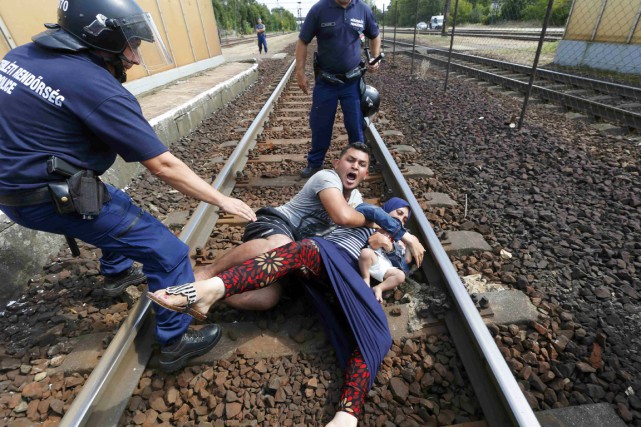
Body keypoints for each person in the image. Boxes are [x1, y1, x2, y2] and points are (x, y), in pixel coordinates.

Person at [0, 0, 256, 373]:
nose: (135, 59)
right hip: (47, 198)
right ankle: (176, 340)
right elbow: (164, 165)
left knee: (112, 201)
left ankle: (117, 271)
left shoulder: (21, 55)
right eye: (129, 45)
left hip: (13, 189)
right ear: (100, 39)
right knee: (168, 252)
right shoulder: (95, 87)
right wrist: (222, 200)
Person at [148, 215, 414, 426]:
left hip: (356, 287)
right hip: (331, 260)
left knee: (379, 337)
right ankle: (214, 288)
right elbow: (369, 216)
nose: (400, 219)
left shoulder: (399, 249)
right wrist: (398, 235)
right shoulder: (366, 221)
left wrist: (400, 250)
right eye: (397, 213)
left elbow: (401, 273)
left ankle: (347, 414)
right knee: (304, 249)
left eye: (405, 218)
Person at [194, 143, 425, 311]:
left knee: (268, 298)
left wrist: (381, 241)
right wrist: (403, 235)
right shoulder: (327, 177)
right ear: (337, 164)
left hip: (295, 251)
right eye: (350, 160)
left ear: (365, 174)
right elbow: (342, 217)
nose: (355, 166)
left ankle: (211, 295)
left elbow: (357, 240)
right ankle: (207, 272)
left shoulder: (357, 199)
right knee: (280, 246)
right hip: (277, 224)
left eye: (361, 164)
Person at [295, 0, 382, 178]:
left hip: (352, 82)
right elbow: (303, 41)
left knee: (356, 126)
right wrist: (300, 72)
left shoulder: (363, 9)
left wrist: (375, 57)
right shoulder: (319, 9)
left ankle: (359, 165)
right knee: (320, 125)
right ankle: (315, 164)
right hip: (326, 82)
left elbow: (375, 34)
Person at [359, 198, 413, 303]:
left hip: (384, 267)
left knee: (400, 276)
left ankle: (379, 287)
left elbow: (405, 265)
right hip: (370, 259)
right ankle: (366, 278)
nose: (400, 219)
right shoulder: (372, 222)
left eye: (404, 220)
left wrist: (405, 245)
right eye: (399, 213)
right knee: (366, 253)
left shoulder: (399, 238)